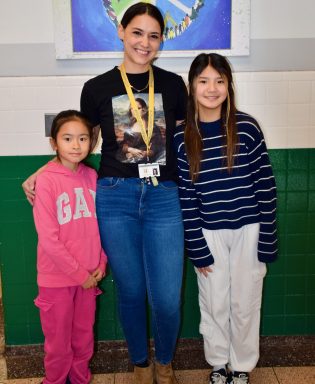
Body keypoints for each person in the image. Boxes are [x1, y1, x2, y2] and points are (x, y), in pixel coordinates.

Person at [22, 3, 187, 384]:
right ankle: (140, 365)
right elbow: (77, 143)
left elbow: (185, 139)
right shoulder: (96, 88)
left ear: (160, 41)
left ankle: (164, 359)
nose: (144, 43)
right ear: (121, 32)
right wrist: (41, 171)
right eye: (137, 33)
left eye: (153, 35)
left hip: (164, 195)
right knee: (130, 290)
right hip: (114, 196)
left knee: (165, 296)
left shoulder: (174, 85)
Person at [173, 53, 277, 384]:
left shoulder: (246, 127)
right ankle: (218, 363)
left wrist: (267, 238)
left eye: (219, 81)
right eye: (203, 81)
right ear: (191, 86)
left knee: (245, 303)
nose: (212, 88)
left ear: (228, 86)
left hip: (250, 228)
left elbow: (265, 184)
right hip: (209, 233)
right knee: (215, 303)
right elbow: (186, 199)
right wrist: (197, 247)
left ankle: (242, 366)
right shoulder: (181, 137)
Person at [33, 110, 107, 384]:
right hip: (57, 279)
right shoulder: (47, 180)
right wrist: (80, 275)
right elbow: (49, 239)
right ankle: (54, 381)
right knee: (58, 343)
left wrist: (100, 264)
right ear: (54, 143)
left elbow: (102, 227)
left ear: (91, 142)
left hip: (89, 277)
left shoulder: (92, 177)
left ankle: (79, 379)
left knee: (83, 338)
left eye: (83, 138)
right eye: (67, 138)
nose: (76, 145)